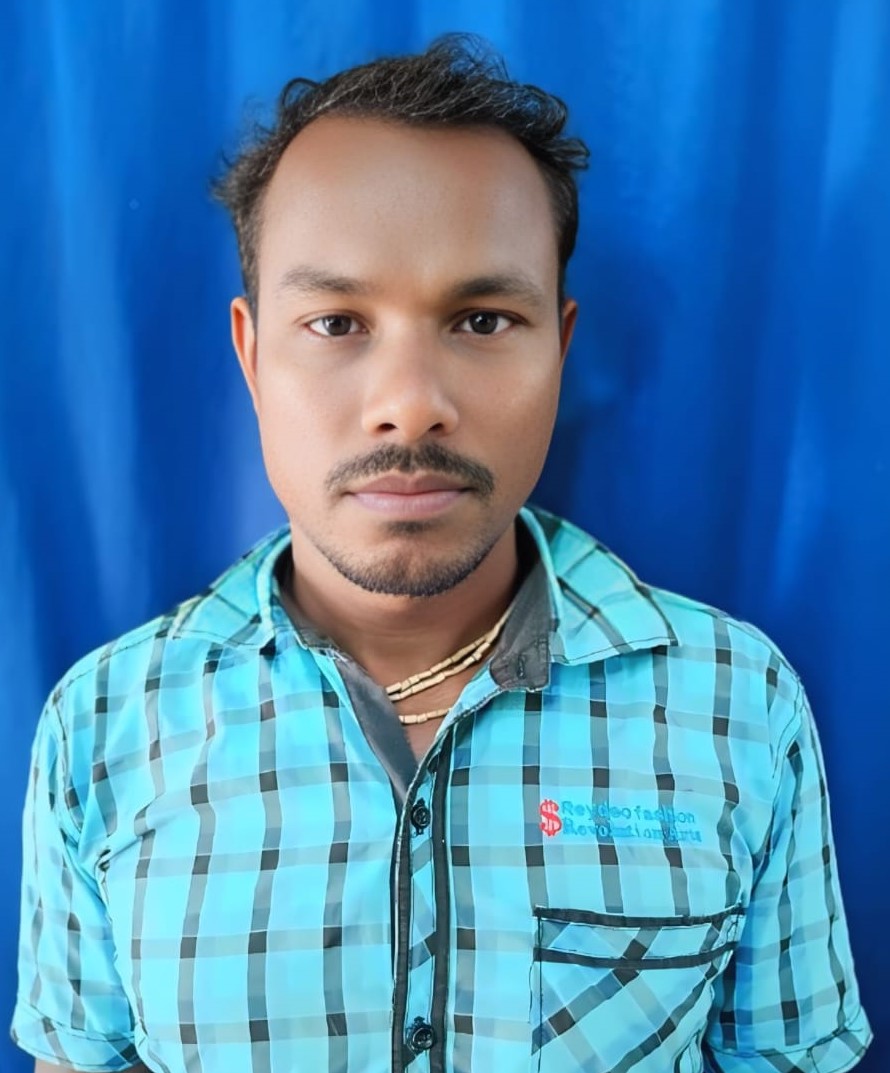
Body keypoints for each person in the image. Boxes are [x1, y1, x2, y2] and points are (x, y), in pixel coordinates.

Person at [11, 36, 872, 1073]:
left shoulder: (737, 703)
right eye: (337, 322)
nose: (409, 402)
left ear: (560, 344)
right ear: (250, 351)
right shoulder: (103, 724)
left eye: (481, 318)